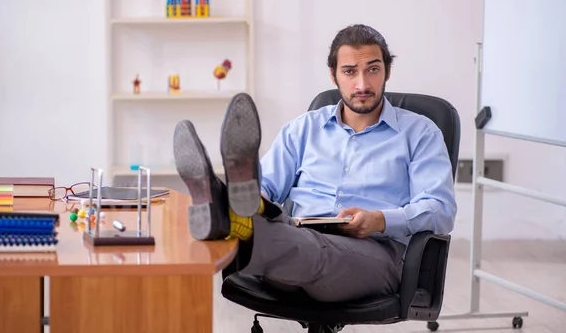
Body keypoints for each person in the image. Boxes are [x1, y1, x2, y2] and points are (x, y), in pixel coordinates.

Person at [172, 24, 457, 303]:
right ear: (333, 75)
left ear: (387, 72)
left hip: (376, 256)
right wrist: (260, 197)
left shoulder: (421, 133)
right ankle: (240, 217)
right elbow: (268, 183)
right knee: (267, 210)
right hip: (297, 238)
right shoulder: (303, 128)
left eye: (373, 69)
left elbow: (440, 210)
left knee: (311, 247)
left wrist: (379, 220)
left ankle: (232, 222)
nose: (362, 84)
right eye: (349, 71)